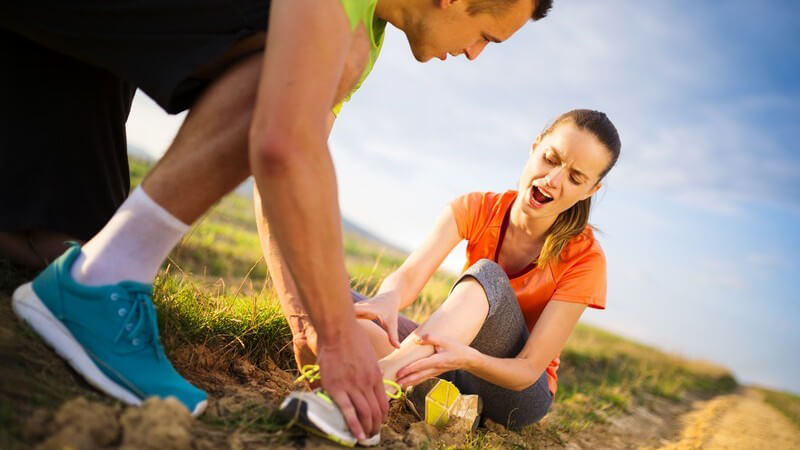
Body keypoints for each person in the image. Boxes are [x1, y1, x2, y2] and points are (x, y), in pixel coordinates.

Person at [4, 0, 554, 443]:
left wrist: (306, 323)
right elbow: (283, 145)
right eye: (487, 36)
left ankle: (91, 271)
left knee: (60, 239)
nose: (477, 55)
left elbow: (290, 169)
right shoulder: (344, 36)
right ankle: (100, 283)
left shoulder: (366, 33)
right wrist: (336, 337)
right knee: (300, 57)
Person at [279, 109, 621, 443]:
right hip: (448, 359)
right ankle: (441, 400)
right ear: (534, 148)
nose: (554, 180)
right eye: (550, 158)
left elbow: (528, 370)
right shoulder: (475, 207)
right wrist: (388, 299)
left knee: (488, 274)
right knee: (330, 305)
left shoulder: (587, 258)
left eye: (576, 178)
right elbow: (410, 276)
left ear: (591, 190)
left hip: (515, 393)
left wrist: (467, 357)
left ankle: (368, 394)